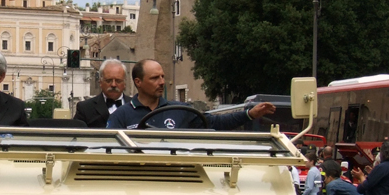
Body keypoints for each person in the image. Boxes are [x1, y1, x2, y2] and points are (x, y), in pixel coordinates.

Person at [106, 59, 276, 130]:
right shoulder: (121, 116)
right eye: (154, 78)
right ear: (138, 82)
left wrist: (249, 114)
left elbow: (216, 123)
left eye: (163, 77)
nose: (162, 82)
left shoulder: (181, 110)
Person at [74, 59, 128, 128]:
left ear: (124, 83)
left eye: (118, 81)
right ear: (100, 82)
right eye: (109, 81)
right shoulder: (85, 109)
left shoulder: (137, 107)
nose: (113, 85)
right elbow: (76, 136)